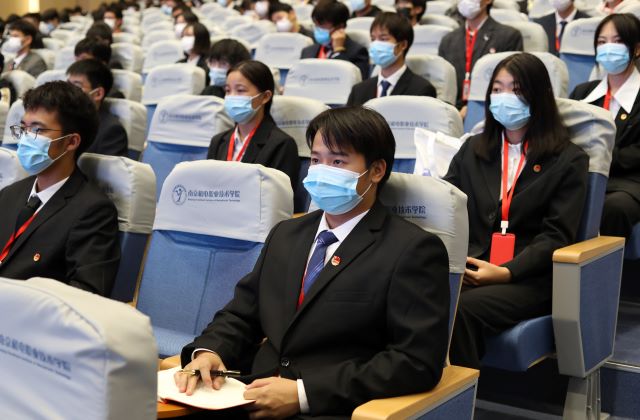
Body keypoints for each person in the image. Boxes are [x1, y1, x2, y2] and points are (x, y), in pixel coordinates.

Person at [176, 106, 450, 418]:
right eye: (316, 160)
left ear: (376, 171)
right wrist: (210, 351)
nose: (321, 171)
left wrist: (303, 394)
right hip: (250, 396)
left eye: (338, 162)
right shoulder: (286, 233)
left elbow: (415, 361)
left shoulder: (412, 249)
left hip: (330, 408)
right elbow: (243, 314)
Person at [444, 53, 589, 369]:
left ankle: (456, 395)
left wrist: (506, 272)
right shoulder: (472, 149)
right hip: (472, 266)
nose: (504, 97)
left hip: (528, 278)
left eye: (516, 89)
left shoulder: (568, 160)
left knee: (458, 309)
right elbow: (445, 208)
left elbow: (556, 236)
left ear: (539, 96)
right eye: (497, 89)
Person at [0, 81, 120, 297]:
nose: (25, 138)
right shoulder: (10, 193)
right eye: (24, 128)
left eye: (37, 130)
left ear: (71, 141)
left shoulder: (93, 211)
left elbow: (86, 294)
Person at [570, 13, 640, 239]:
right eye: (602, 42)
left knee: (614, 207)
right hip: (584, 177)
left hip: (628, 181)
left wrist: (601, 157)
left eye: (617, 41)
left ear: (636, 48)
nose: (609, 47)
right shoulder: (583, 93)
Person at [207, 60, 300, 188]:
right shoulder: (218, 141)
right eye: (228, 90)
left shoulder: (281, 144)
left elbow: (280, 195)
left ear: (265, 97)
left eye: (240, 90)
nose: (231, 97)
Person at [438, 0, 523, 110]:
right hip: (453, 109)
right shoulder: (448, 40)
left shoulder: (509, 36)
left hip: (490, 108)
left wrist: (472, 109)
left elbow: (512, 85)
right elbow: (444, 86)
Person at [347, 12, 436, 106]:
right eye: (373, 39)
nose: (376, 45)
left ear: (403, 45)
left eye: (383, 39)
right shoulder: (358, 90)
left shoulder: (421, 89)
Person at [67, 59, 128, 157]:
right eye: (68, 85)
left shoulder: (111, 131)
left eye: (76, 86)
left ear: (98, 94)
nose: (68, 91)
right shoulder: (63, 117)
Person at [301, 0, 370, 80]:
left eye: (322, 25)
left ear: (340, 26)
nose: (318, 30)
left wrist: (338, 51)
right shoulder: (307, 51)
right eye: (316, 25)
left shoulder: (358, 52)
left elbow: (354, 82)